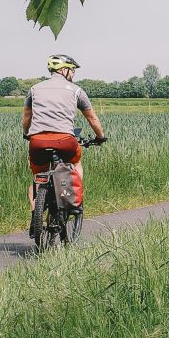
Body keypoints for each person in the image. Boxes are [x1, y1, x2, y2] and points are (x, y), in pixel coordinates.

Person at [21, 53, 106, 220]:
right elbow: (92, 118)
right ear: (64, 70)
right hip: (65, 141)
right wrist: (100, 137)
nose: (73, 74)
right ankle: (75, 201)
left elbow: (26, 117)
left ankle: (35, 218)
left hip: (37, 142)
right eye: (72, 70)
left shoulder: (34, 89)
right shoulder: (76, 90)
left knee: (38, 178)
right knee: (76, 162)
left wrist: (26, 134)